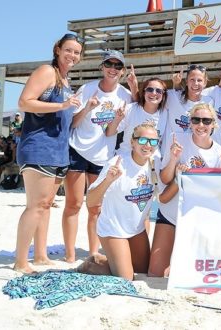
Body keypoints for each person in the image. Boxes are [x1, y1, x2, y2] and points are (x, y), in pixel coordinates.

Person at [13, 33, 84, 273]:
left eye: (76, 52)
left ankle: (41, 255)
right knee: (35, 205)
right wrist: (61, 105)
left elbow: (67, 121)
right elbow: (24, 102)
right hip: (38, 148)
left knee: (45, 204)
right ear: (57, 49)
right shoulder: (47, 71)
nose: (72, 55)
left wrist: (83, 110)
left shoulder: (66, 81)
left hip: (58, 151)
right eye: (68, 50)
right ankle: (21, 261)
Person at [63, 50, 136, 263]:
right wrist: (87, 108)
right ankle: (70, 255)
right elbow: (72, 123)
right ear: (102, 67)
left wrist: (133, 91)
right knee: (73, 204)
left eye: (117, 66)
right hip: (77, 149)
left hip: (103, 155)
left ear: (122, 71)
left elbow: (110, 132)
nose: (112, 69)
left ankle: (93, 252)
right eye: (109, 64)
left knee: (95, 208)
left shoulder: (125, 96)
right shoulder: (87, 88)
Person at [148, 103, 221, 277]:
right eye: (196, 120)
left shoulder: (219, 152)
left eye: (206, 121)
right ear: (190, 122)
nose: (201, 125)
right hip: (170, 214)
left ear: (214, 124)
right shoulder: (177, 140)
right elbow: (165, 179)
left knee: (189, 273)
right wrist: (174, 160)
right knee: (156, 273)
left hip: (196, 220)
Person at [85, 122, 158, 280]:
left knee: (144, 270)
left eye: (153, 141)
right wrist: (108, 181)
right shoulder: (117, 163)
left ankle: (110, 261)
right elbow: (90, 202)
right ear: (132, 141)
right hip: (113, 229)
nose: (148, 145)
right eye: (143, 140)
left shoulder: (155, 163)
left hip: (136, 230)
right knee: (126, 278)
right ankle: (92, 263)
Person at [106, 78, 168, 154]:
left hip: (152, 161)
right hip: (126, 157)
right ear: (144, 92)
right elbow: (109, 133)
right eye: (150, 89)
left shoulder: (166, 113)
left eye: (159, 91)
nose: (154, 93)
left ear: (163, 95)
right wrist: (116, 119)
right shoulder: (130, 109)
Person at [167, 64, 214, 140]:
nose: (195, 83)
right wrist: (176, 83)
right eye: (192, 79)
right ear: (186, 81)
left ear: (205, 83)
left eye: (199, 80)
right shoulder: (173, 96)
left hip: (194, 150)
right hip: (171, 149)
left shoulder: (209, 102)